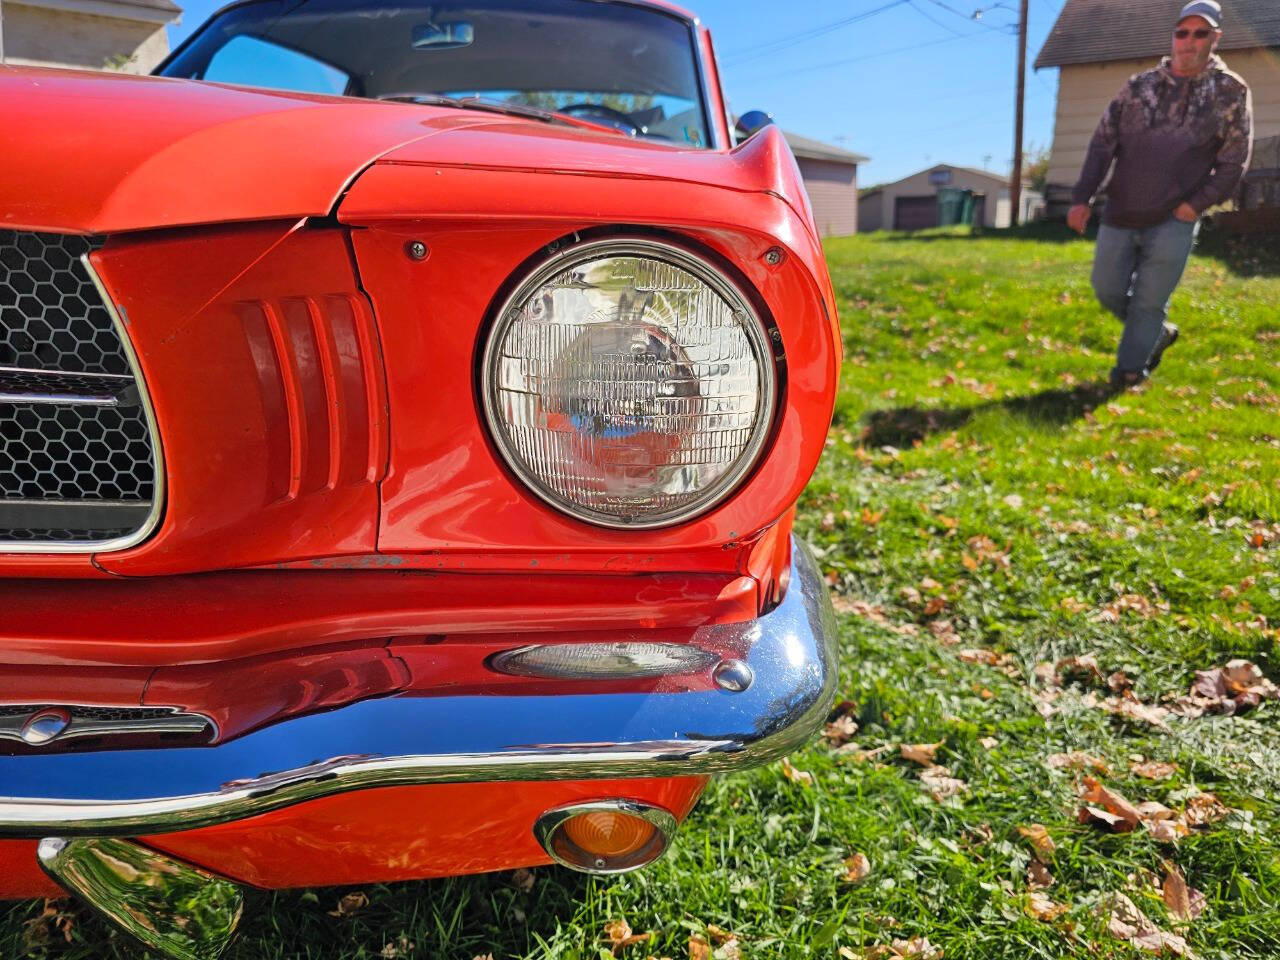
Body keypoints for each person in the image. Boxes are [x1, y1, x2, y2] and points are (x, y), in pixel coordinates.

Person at [1067, 0, 1253, 390]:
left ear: (1215, 38)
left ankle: (1130, 372)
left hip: (1174, 219)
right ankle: (1158, 332)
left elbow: (1234, 162)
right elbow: (1103, 144)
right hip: (1121, 212)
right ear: (1173, 36)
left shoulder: (1230, 91)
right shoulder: (1138, 87)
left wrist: (1194, 206)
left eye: (1200, 33)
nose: (1189, 41)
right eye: (1182, 32)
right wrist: (1082, 197)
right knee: (1107, 290)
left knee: (1149, 300)